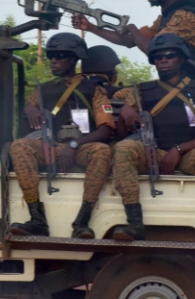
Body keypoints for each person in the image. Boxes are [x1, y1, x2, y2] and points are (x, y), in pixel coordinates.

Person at [110, 34, 195, 242]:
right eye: (158, 57)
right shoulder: (140, 92)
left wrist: (179, 149)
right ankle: (135, 222)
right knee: (122, 149)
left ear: (182, 58)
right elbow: (122, 136)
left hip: (188, 154)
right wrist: (125, 113)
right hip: (152, 152)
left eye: (170, 55)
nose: (163, 60)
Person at [9, 33, 115, 239]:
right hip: (50, 146)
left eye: (60, 56)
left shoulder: (94, 89)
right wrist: (29, 109)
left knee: (102, 151)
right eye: (51, 56)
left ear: (74, 59)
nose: (54, 61)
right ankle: (37, 218)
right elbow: (26, 123)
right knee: (19, 146)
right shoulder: (42, 89)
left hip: (81, 147)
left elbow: (105, 130)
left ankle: (82, 222)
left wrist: (74, 144)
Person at [72, 0, 195, 83]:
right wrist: (90, 27)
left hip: (194, 86)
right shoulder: (167, 17)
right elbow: (129, 41)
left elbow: (152, 49)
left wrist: (132, 28)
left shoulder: (184, 16)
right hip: (179, 83)